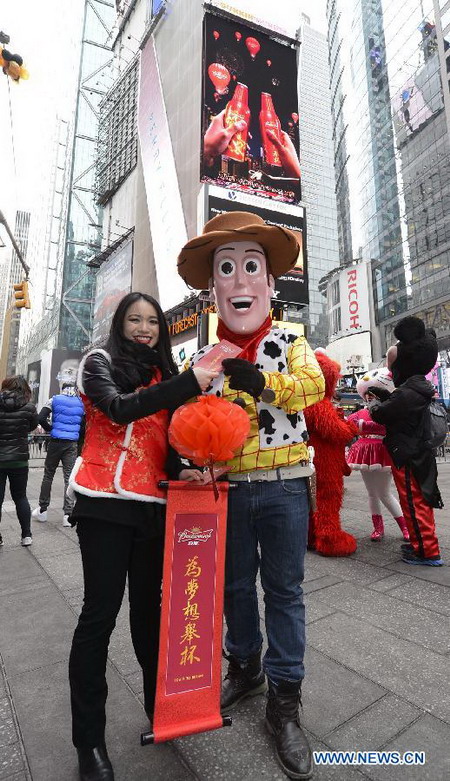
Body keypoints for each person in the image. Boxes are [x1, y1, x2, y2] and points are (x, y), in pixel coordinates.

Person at [178, 211, 325, 781]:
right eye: (227, 270)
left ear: (269, 282)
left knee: (284, 591)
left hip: (286, 487)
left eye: (251, 268)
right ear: (213, 288)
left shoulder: (292, 340)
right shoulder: (203, 359)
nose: (240, 281)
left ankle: (285, 704)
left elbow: (312, 390)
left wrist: (261, 382)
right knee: (234, 585)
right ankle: (245, 666)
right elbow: (192, 426)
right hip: (227, 492)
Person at [67, 292, 217, 781]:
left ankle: (163, 712)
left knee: (150, 618)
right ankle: (89, 744)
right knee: (99, 616)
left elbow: (166, 442)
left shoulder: (162, 376)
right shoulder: (98, 362)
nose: (145, 328)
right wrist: (185, 383)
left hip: (153, 509)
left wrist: (188, 471)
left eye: (152, 321)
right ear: (119, 324)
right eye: (134, 319)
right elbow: (117, 410)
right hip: (104, 507)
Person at [369, 316, 443, 566]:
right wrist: (385, 395)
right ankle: (420, 544)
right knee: (417, 500)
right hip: (416, 452)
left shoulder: (410, 391)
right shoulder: (418, 387)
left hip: (410, 454)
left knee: (414, 502)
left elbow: (383, 413)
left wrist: (375, 406)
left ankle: (427, 551)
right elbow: (396, 404)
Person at [347, 368, 409, 542]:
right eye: (367, 395)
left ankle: (405, 527)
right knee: (372, 493)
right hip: (365, 452)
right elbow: (348, 425)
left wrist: (363, 426)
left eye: (373, 394)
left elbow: (389, 427)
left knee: (384, 493)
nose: (369, 398)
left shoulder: (387, 410)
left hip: (382, 451)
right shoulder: (360, 413)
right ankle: (378, 528)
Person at [32, 382, 85, 527]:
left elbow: (41, 418)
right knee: (69, 477)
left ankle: (42, 510)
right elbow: (84, 424)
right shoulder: (81, 403)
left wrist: (51, 429)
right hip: (71, 444)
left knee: (48, 474)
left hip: (55, 442)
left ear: (62, 389)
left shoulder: (54, 399)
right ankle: (68, 515)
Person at [0, 376, 38, 547]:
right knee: (20, 497)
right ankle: (26, 535)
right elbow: (31, 427)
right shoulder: (29, 407)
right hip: (19, 460)